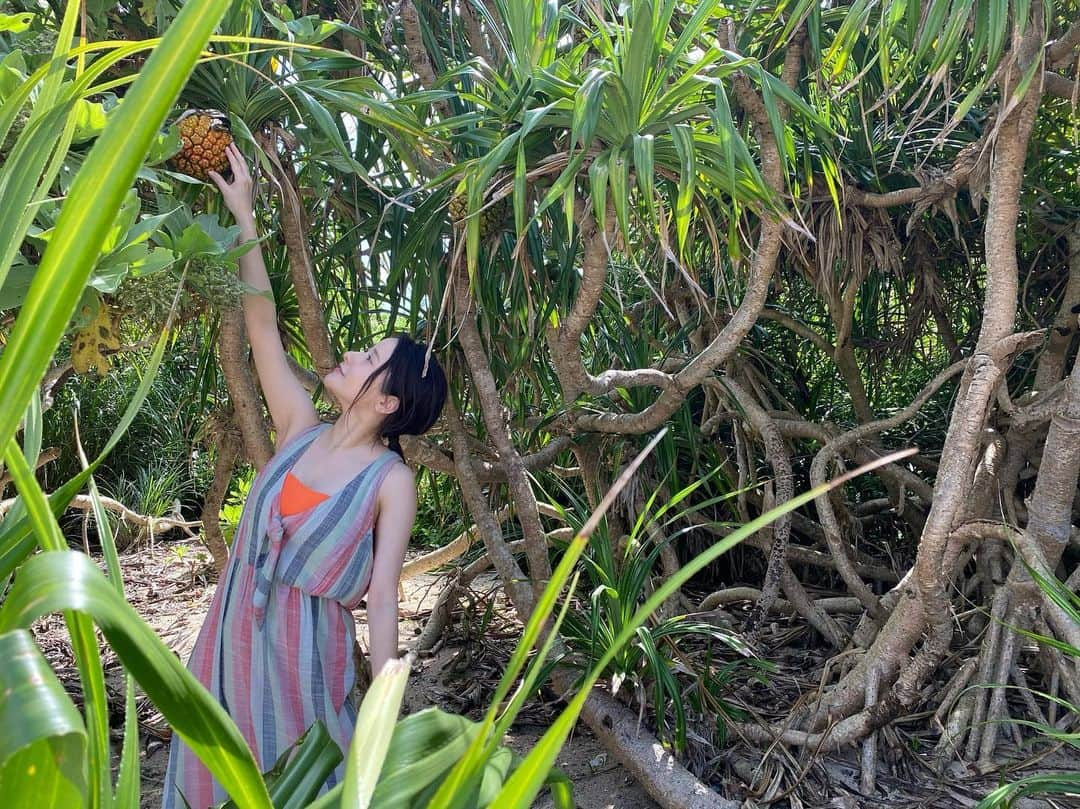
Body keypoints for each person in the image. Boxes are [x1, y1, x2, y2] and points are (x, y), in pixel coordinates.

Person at [162, 144, 448, 808]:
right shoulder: (298, 426)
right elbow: (261, 324)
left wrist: (381, 707)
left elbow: (381, 595)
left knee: (297, 789)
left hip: (303, 668)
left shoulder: (388, 481)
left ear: (387, 402)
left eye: (369, 356)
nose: (350, 352)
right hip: (229, 638)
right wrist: (244, 215)